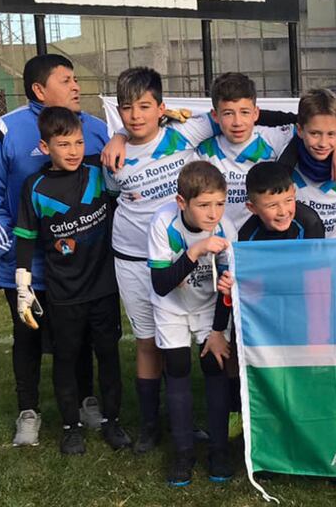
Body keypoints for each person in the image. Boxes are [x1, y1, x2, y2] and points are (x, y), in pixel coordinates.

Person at [0, 53, 108, 447]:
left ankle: (86, 401)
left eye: (75, 79)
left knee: (79, 337)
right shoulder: (4, 132)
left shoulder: (96, 129)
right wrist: (15, 252)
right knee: (27, 339)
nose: (76, 86)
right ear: (39, 90)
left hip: (78, 268)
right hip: (26, 268)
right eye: (66, 80)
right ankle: (28, 411)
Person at [101, 67, 222, 454]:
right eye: (126, 108)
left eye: (144, 106)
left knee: (186, 338)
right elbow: (112, 197)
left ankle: (183, 419)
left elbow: (233, 113)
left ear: (160, 107)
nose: (135, 115)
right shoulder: (113, 156)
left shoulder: (184, 133)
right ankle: (151, 426)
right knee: (149, 341)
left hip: (183, 256)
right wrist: (119, 137)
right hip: (135, 259)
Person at [13, 107, 130, 455]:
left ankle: (112, 421)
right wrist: (22, 287)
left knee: (108, 355)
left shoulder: (98, 172)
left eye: (78, 142)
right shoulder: (35, 187)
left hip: (104, 287)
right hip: (63, 293)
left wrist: (121, 135)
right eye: (63, 144)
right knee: (65, 359)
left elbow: (136, 140)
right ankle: (70, 428)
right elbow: (25, 239)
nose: (74, 151)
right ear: (45, 147)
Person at [148, 161, 237, 486]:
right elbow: (161, 284)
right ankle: (183, 453)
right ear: (182, 202)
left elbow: (228, 288)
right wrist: (195, 251)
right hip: (171, 305)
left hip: (209, 306)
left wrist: (217, 331)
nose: (213, 213)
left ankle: (218, 450)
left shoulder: (226, 228)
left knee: (215, 365)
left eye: (220, 203)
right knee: (177, 367)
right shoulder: (163, 223)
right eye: (204, 205)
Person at [195, 73, 336, 229]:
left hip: (264, 236)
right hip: (222, 238)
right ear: (215, 116)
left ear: (256, 113)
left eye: (244, 112)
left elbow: (317, 123)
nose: (237, 122)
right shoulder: (203, 148)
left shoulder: (276, 137)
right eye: (228, 113)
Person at [278, 88, 336, 238]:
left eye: (331, 134)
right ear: (300, 130)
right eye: (314, 133)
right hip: (304, 249)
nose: (323, 143)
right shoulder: (283, 153)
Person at [239, 162, 326, 241]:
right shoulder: (247, 236)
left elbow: (317, 253)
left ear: (294, 194)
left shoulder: (309, 223)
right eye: (272, 205)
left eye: (288, 200)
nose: (283, 212)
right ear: (252, 208)